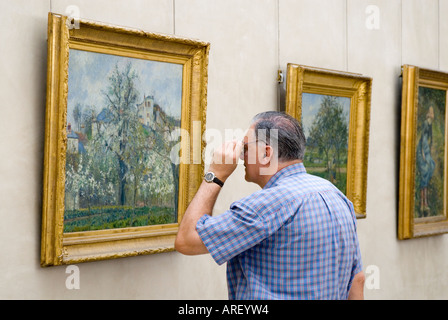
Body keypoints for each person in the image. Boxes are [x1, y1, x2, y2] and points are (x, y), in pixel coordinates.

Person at [175, 111, 364, 300]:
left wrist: (215, 174)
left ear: (266, 153)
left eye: (246, 148)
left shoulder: (265, 205)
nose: (241, 156)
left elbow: (186, 240)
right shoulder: (338, 197)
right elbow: (358, 281)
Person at [416, 106, 435, 216]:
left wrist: (429, 148)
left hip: (426, 148)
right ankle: (423, 203)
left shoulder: (430, 124)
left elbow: (430, 138)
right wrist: (423, 152)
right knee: (425, 171)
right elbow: (423, 137)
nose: (432, 115)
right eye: (431, 113)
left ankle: (425, 202)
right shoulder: (425, 123)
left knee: (431, 166)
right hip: (422, 149)